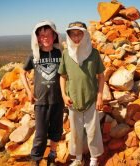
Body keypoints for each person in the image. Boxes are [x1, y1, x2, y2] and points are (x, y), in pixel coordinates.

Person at [58, 21, 104, 166]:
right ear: (69, 36)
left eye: (79, 34)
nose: (76, 37)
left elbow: (101, 76)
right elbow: (63, 76)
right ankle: (78, 159)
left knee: (93, 131)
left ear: (85, 35)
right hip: (73, 100)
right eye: (73, 34)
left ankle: (94, 159)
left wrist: (100, 96)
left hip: (90, 99)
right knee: (76, 132)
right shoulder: (66, 54)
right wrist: (64, 96)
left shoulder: (94, 53)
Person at [20, 20, 64, 166]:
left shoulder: (60, 53)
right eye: (41, 35)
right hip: (41, 101)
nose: (45, 38)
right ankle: (36, 160)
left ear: (54, 36)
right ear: (37, 38)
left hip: (57, 100)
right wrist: (28, 92)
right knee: (40, 134)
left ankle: (52, 156)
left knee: (56, 131)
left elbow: (66, 74)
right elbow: (22, 73)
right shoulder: (34, 55)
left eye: (48, 35)